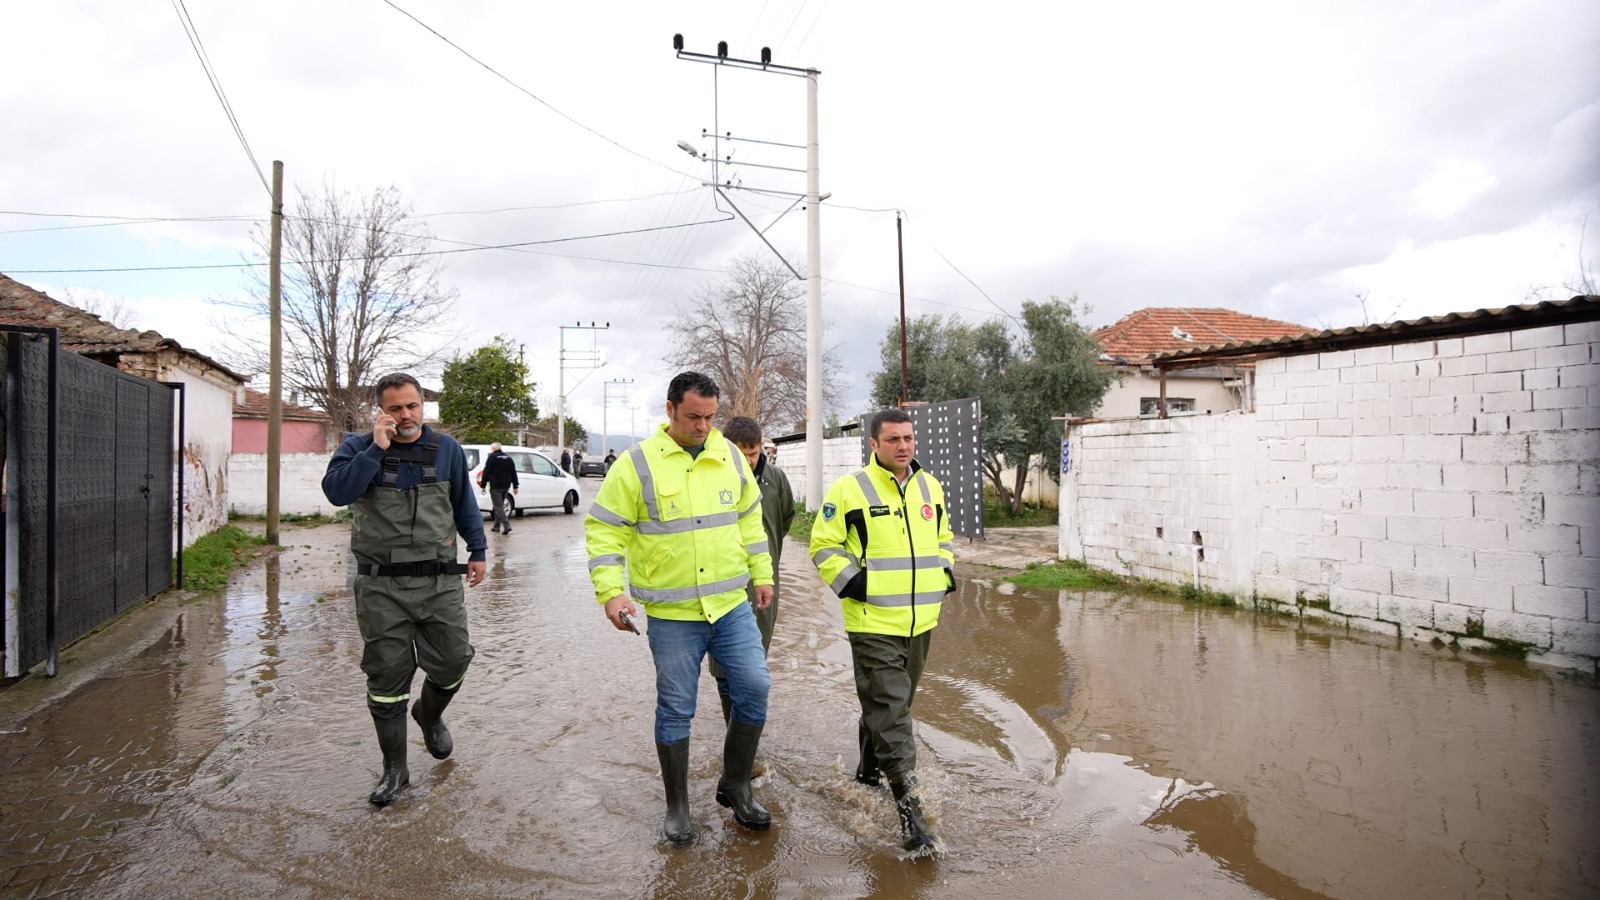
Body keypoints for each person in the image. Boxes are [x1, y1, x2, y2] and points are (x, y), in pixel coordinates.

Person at [584, 371, 774, 846]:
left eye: (711, 417)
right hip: (674, 616)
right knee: (675, 708)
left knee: (754, 687)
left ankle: (735, 785)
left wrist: (763, 574)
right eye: (694, 416)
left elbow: (750, 517)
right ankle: (677, 807)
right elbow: (605, 531)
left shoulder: (728, 454)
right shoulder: (636, 464)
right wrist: (611, 591)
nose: (703, 426)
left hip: (730, 606)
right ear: (669, 410)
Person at [321, 372, 488, 807]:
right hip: (381, 586)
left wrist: (479, 550)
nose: (406, 415)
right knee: (387, 677)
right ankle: (395, 770)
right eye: (395, 408)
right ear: (381, 411)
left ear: (423, 407)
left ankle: (428, 715)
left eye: (412, 406)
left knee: (455, 659)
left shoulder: (447, 449)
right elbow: (338, 493)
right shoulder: (358, 448)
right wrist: (377, 448)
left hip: (439, 582)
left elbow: (464, 505)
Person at [809, 408, 955, 852]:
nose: (904, 446)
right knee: (893, 711)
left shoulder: (930, 486)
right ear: (873, 444)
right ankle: (911, 815)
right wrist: (856, 584)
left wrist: (945, 572)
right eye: (893, 440)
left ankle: (868, 773)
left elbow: (944, 536)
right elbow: (823, 544)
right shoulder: (850, 490)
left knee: (892, 705)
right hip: (872, 622)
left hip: (920, 622)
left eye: (908, 438)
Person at [708, 417, 794, 722]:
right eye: (740, 454)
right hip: (721, 583)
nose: (748, 460)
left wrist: (762, 560)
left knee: (754, 657)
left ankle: (744, 734)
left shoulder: (776, 480)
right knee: (723, 661)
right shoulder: (709, 477)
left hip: (763, 582)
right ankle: (734, 727)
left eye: (753, 453)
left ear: (762, 449)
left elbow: (783, 522)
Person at [478, 441, 520, 535]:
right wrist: (515, 485)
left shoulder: (492, 458)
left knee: (498, 506)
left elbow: (486, 472)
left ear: (493, 449)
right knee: (499, 505)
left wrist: (483, 485)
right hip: (506, 485)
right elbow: (513, 472)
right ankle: (496, 526)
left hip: (495, 485)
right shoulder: (508, 458)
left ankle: (506, 525)